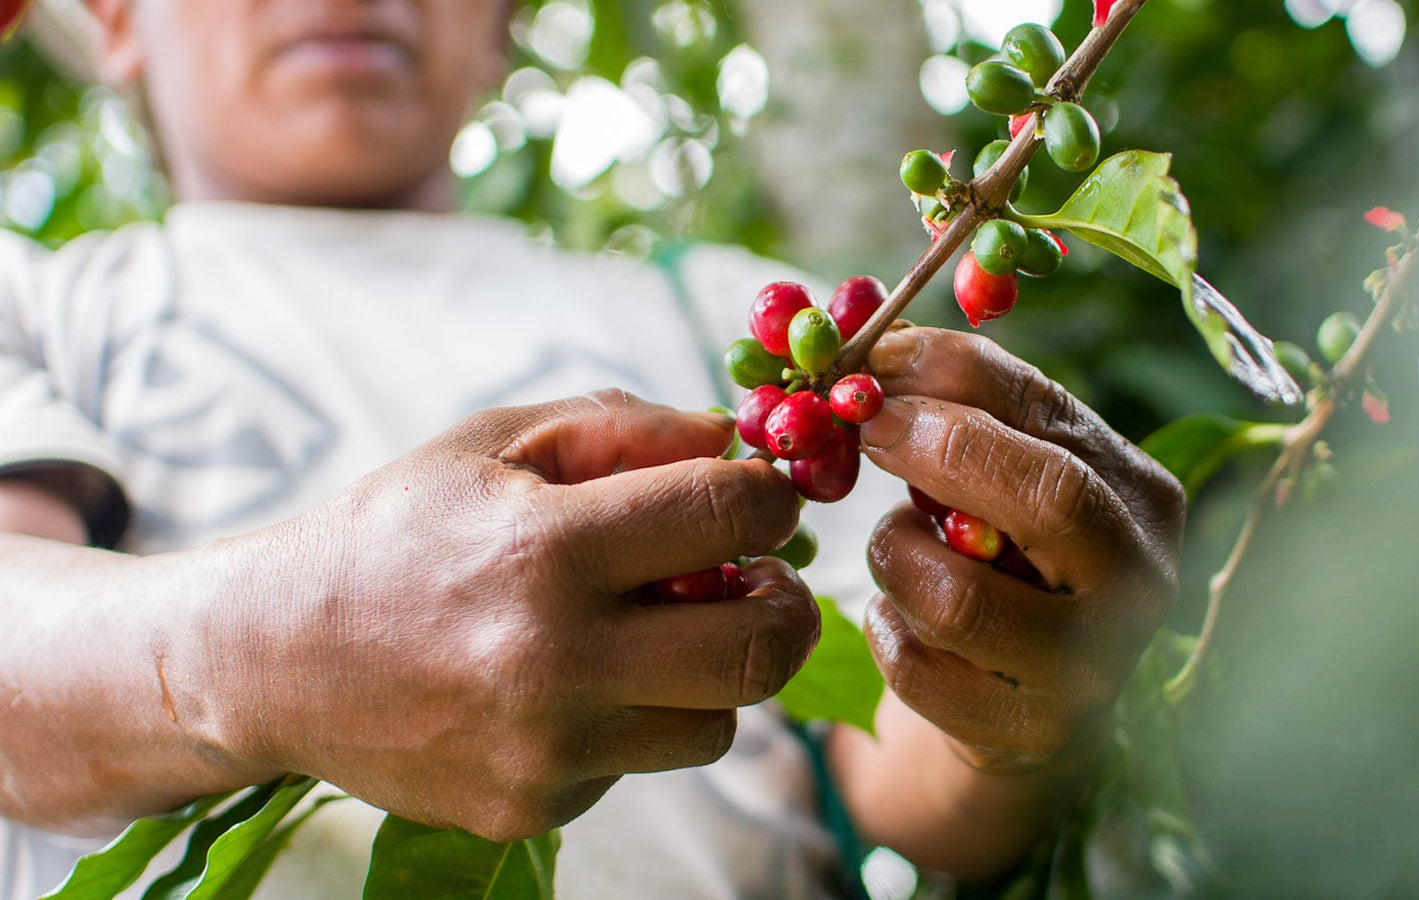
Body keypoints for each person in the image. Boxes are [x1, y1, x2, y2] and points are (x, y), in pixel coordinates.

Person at [0, 0, 1184, 896]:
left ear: (501, 28)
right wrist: (277, 650)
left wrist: (1016, 690)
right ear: (113, 18)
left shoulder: (718, 313)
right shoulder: (38, 305)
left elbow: (897, 764)